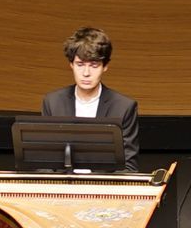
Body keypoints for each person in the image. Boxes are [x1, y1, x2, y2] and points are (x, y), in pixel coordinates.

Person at [40, 26, 140, 170]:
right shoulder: (52, 102)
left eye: (94, 65)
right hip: (63, 188)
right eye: (80, 64)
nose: (86, 73)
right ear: (71, 65)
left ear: (105, 66)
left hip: (104, 189)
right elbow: (44, 162)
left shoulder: (124, 107)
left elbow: (129, 167)